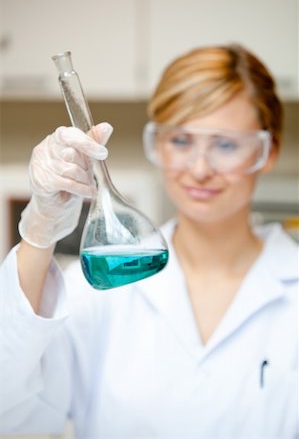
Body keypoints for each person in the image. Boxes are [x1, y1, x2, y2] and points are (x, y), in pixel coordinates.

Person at [0, 44, 297, 439]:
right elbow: (12, 410)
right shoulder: (101, 288)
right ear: (157, 143)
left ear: (268, 151)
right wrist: (39, 232)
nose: (200, 169)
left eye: (225, 144)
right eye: (180, 141)